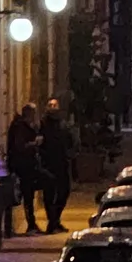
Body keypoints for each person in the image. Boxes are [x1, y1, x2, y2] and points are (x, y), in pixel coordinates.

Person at [6, 102, 43, 234]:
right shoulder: (20, 127)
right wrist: (35, 143)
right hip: (23, 167)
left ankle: (31, 224)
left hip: (26, 166)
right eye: (34, 113)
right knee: (26, 195)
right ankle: (30, 224)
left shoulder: (23, 126)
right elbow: (20, 146)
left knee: (27, 195)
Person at [39, 98, 74, 234]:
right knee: (49, 194)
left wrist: (69, 153)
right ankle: (52, 221)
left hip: (62, 163)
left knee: (64, 192)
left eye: (55, 105)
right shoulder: (42, 124)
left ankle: (55, 220)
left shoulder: (63, 124)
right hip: (48, 164)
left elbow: (69, 140)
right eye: (50, 105)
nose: (53, 107)